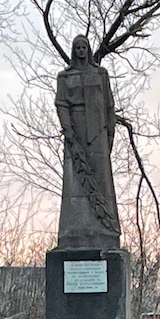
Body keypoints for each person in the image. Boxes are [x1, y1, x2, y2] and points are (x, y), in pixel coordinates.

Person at [54, 35, 121, 250]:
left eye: (84, 47)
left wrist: (109, 133)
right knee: (75, 179)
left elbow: (109, 105)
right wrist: (68, 130)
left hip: (98, 131)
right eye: (78, 48)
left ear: (89, 50)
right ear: (74, 51)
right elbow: (61, 103)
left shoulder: (100, 74)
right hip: (76, 128)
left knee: (101, 177)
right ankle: (73, 231)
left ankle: (105, 227)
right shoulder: (65, 77)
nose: (81, 51)